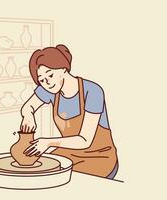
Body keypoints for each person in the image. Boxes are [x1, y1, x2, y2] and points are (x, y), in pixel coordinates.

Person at [20, 44, 118, 179]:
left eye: (50, 75)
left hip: (100, 156)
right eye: (41, 80)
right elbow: (27, 107)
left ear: (63, 69)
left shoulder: (93, 91)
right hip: (68, 152)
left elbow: (85, 141)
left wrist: (48, 142)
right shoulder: (51, 89)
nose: (47, 82)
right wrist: (28, 115)